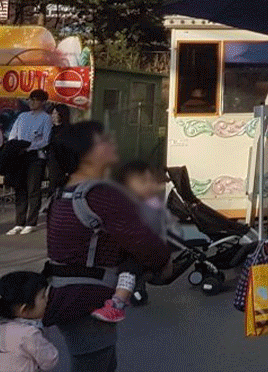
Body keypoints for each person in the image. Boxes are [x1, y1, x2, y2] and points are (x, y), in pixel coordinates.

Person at [44, 121, 171, 372]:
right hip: (88, 298)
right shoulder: (100, 194)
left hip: (64, 293)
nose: (111, 141)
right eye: (103, 139)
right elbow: (143, 241)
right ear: (86, 154)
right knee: (95, 364)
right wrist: (163, 261)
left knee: (100, 362)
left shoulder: (65, 191)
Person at [90, 162, 168, 323]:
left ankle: (118, 302)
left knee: (129, 268)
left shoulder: (148, 205)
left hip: (137, 252)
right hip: (124, 248)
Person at [7, 91, 54, 235]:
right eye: (30, 99)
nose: (32, 102)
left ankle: (31, 222)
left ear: (42, 102)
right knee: (20, 189)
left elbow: (45, 140)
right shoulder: (22, 116)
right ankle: (19, 222)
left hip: (35, 156)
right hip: (20, 156)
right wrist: (15, 146)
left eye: (35, 100)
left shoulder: (46, 118)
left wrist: (29, 146)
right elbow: (13, 135)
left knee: (33, 188)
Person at [0, 270, 58, 371]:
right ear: (25, 310)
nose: (46, 300)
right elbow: (50, 360)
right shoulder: (29, 334)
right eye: (43, 296)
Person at [43, 106, 72, 210]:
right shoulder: (51, 129)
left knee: (61, 185)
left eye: (56, 113)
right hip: (52, 161)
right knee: (53, 184)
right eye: (53, 113)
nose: (53, 116)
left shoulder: (67, 130)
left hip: (62, 161)